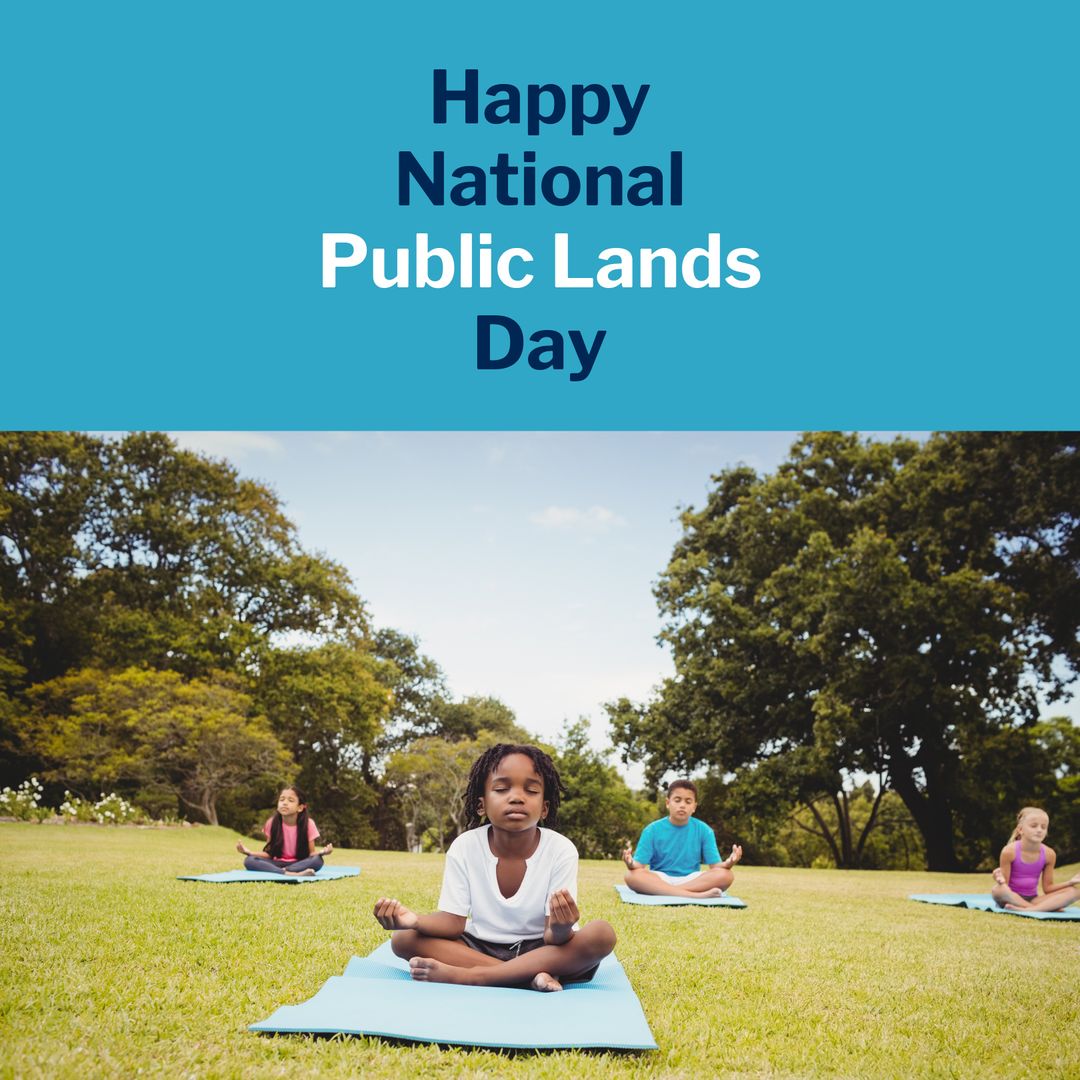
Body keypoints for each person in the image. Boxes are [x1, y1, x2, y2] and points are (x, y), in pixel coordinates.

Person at [373, 743, 616, 991]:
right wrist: (413, 920)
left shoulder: (561, 850)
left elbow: (553, 937)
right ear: (482, 805)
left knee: (602, 934)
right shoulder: (465, 846)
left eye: (531, 791)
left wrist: (561, 926)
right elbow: (453, 923)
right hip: (480, 946)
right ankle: (527, 979)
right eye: (501, 789)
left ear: (544, 808)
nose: (517, 797)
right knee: (404, 938)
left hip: (543, 950)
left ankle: (474, 977)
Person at [622, 779, 742, 898]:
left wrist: (728, 863)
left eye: (688, 802)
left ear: (694, 807)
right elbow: (639, 866)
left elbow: (715, 867)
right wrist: (630, 863)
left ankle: (668, 891)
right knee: (631, 875)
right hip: (660, 878)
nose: (682, 805)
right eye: (677, 800)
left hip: (691, 880)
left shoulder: (704, 830)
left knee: (726, 875)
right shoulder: (651, 830)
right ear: (668, 803)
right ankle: (694, 896)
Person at [990, 806, 1080, 912]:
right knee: (998, 890)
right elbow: (1004, 885)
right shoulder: (1009, 851)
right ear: (1020, 829)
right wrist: (999, 879)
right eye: (1033, 826)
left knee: (1075, 891)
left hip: (1034, 900)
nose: (1039, 830)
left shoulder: (1049, 854)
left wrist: (1070, 882)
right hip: (1010, 898)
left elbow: (1048, 888)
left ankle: (1030, 909)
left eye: (1043, 827)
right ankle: (1043, 908)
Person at [235, 785, 333, 876]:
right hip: (276, 862)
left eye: (290, 800)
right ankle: (290, 873)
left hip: (298, 862)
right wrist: (248, 852)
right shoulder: (272, 823)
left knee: (317, 861)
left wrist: (323, 852)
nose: (285, 803)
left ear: (300, 807)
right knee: (249, 860)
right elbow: (269, 854)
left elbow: (311, 854)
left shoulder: (308, 824)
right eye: (282, 800)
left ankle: (282, 870)